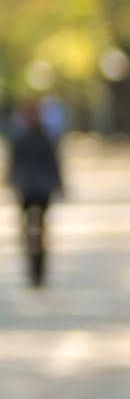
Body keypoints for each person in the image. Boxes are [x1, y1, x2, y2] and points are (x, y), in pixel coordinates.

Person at [6, 98, 64, 288]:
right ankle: (32, 266)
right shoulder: (19, 138)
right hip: (26, 189)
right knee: (27, 229)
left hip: (41, 189)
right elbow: (13, 165)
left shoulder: (46, 137)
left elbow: (55, 163)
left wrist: (59, 185)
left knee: (40, 228)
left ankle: (39, 269)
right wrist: (11, 182)